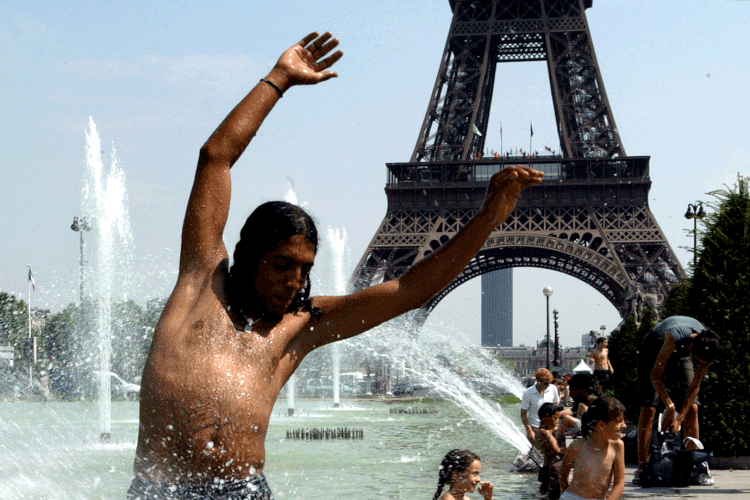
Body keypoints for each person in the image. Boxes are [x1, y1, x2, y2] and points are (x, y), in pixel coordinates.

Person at [127, 32, 545, 500]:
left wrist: (488, 218)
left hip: (244, 491)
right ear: (249, 255)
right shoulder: (201, 278)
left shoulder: (298, 326)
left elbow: (409, 290)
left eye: (305, 269)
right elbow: (215, 158)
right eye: (283, 264)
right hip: (161, 491)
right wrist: (279, 79)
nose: (295, 281)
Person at [632, 316, 720, 486]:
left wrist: (680, 418)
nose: (697, 364)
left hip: (683, 351)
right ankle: (643, 466)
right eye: (697, 361)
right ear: (692, 347)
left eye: (701, 363)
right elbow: (655, 376)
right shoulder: (675, 336)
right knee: (649, 408)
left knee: (693, 408)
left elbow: (694, 388)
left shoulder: (707, 345)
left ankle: (694, 465)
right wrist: (670, 406)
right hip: (653, 349)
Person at [559, 396, 626, 500]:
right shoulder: (577, 446)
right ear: (601, 425)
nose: (624, 425)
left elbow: (620, 483)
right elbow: (563, 474)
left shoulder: (617, 446)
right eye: (619, 421)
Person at [520, 368, 560, 443]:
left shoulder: (553, 388)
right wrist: (529, 431)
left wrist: (556, 424)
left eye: (549, 383)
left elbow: (556, 408)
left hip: (550, 428)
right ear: (538, 381)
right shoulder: (528, 393)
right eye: (545, 383)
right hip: (535, 428)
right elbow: (523, 414)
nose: (548, 385)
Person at [536, 403, 567, 499]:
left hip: (545, 468)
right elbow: (557, 451)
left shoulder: (540, 431)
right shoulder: (546, 434)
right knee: (554, 496)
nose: (558, 421)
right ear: (546, 417)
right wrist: (574, 450)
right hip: (551, 471)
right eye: (556, 418)